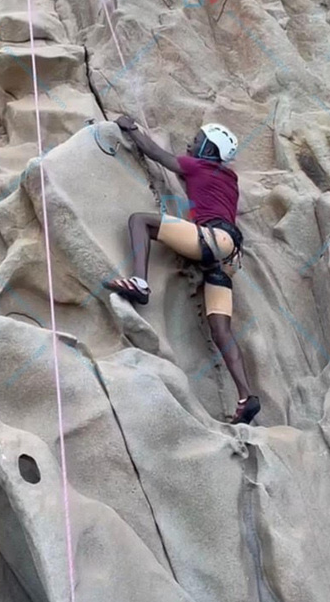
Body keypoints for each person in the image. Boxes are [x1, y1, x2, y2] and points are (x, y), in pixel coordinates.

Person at [104, 115, 261, 425]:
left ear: (209, 150)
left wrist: (131, 128)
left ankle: (140, 282)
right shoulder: (229, 179)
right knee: (221, 330)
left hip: (212, 240)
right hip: (227, 257)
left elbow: (158, 155)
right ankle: (247, 396)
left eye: (198, 140)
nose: (191, 144)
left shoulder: (197, 167)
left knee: (140, 221)